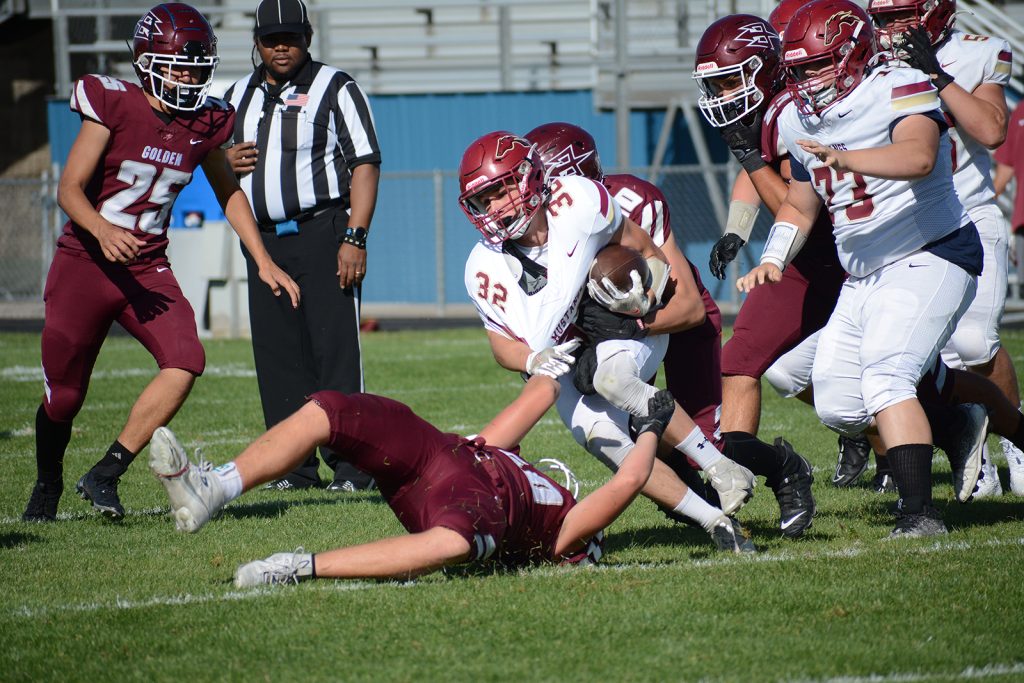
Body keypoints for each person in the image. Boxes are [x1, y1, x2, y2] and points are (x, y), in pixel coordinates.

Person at [21, 2, 300, 522]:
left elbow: (229, 192)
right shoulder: (115, 104)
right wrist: (103, 230)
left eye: (198, 65)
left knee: (186, 358)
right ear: (147, 60)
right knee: (64, 397)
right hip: (86, 261)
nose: (191, 76)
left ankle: (105, 472)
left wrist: (261, 257)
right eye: (180, 64)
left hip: (147, 268)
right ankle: (48, 481)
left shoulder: (207, 119)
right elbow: (70, 188)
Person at [738, 0, 981, 537]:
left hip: (930, 251)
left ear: (853, 52)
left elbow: (918, 157)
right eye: (797, 70)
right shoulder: (799, 114)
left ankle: (920, 514)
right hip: (864, 270)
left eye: (816, 65)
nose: (806, 80)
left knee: (887, 376)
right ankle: (952, 420)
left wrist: (848, 158)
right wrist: (773, 258)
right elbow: (801, 205)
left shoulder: (898, 83)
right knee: (839, 402)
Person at [459, 131, 756, 552]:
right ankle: (714, 523)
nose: (493, 209)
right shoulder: (483, 266)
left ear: (527, 177)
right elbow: (499, 344)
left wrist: (644, 293)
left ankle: (722, 467)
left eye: (499, 192)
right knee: (608, 443)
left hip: (620, 328)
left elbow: (641, 246)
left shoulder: (578, 200)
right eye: (482, 201)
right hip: (563, 360)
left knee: (613, 378)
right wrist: (532, 359)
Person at [524, 121, 816, 539]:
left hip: (671, 318)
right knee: (639, 440)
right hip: (615, 335)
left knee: (702, 442)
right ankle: (700, 505)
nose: (537, 199)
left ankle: (786, 467)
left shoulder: (631, 202)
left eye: (544, 185)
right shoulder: (535, 230)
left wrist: (630, 324)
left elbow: (689, 308)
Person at [149, 376, 677, 584]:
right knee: (331, 410)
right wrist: (552, 371)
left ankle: (296, 567)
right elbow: (508, 425)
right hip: (449, 452)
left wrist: (652, 424)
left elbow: (626, 482)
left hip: (467, 505)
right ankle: (215, 487)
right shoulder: (525, 480)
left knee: (455, 543)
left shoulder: (564, 532)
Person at [221, 0, 381, 492]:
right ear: (256, 41)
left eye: (290, 36)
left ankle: (352, 467)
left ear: (308, 36)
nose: (281, 46)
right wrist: (225, 157)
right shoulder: (234, 95)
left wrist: (355, 235)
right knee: (278, 356)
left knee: (333, 352)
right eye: (271, 39)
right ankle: (293, 467)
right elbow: (210, 165)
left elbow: (366, 163)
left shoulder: (336, 87)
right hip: (264, 242)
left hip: (323, 233)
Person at [867, 0, 1021, 499]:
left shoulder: (975, 54)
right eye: (885, 19)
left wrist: (935, 75)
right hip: (907, 226)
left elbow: (993, 131)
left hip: (971, 213)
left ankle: (1016, 439)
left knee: (975, 342)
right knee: (925, 355)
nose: (892, 29)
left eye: (902, 15)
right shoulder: (869, 64)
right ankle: (970, 451)